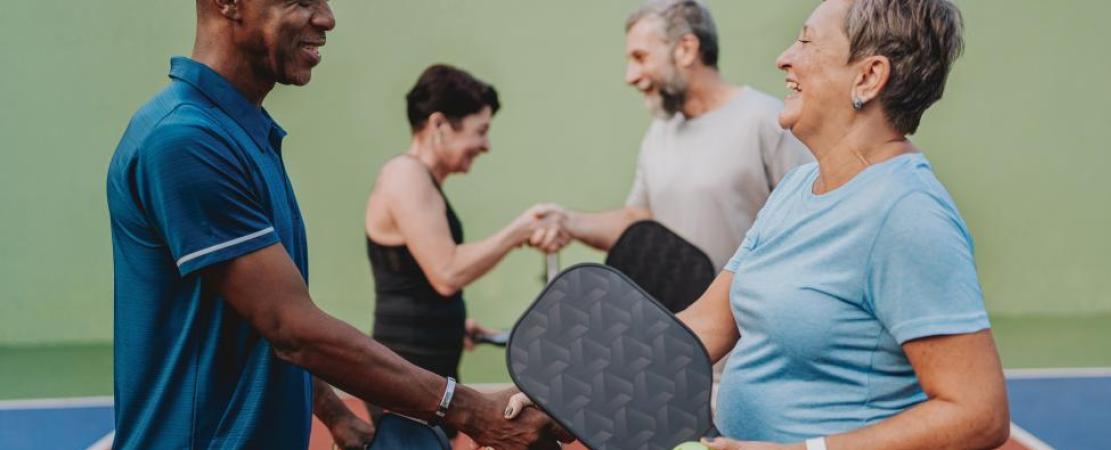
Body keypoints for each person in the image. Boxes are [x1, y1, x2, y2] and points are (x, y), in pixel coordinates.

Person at [508, 1, 1010, 449]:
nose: (784, 57)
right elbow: (702, 327)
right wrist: (569, 390)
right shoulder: (796, 189)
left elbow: (979, 415)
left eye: (807, 40)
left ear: (868, 77)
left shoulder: (909, 213)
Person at [105, 1, 567, 448]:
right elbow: (290, 328)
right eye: (301, 0)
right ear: (228, 3)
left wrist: (338, 417)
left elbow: (259, 321)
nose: (326, 17)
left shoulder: (244, 134)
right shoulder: (185, 140)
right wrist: (475, 412)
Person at [364, 64, 567, 432]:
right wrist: (521, 230)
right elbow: (447, 273)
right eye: (481, 131)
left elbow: (417, 280)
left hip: (428, 379)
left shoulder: (421, 182)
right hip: (407, 386)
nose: (486, 145)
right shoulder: (405, 175)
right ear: (440, 125)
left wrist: (453, 322)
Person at [552, 0, 811, 271]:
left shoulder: (766, 120)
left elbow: (810, 221)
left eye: (640, 57)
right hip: (677, 315)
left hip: (749, 313)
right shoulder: (658, 133)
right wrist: (568, 222)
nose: (631, 76)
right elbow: (640, 221)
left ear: (686, 50)